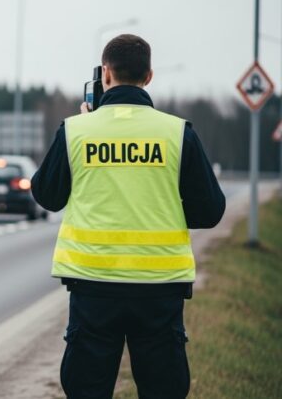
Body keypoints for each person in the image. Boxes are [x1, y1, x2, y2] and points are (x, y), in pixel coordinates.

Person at [31, 34, 225, 399]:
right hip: (159, 290)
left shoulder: (75, 131)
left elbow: (47, 196)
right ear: (149, 76)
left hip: (93, 288)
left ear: (105, 75)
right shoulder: (176, 133)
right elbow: (211, 211)